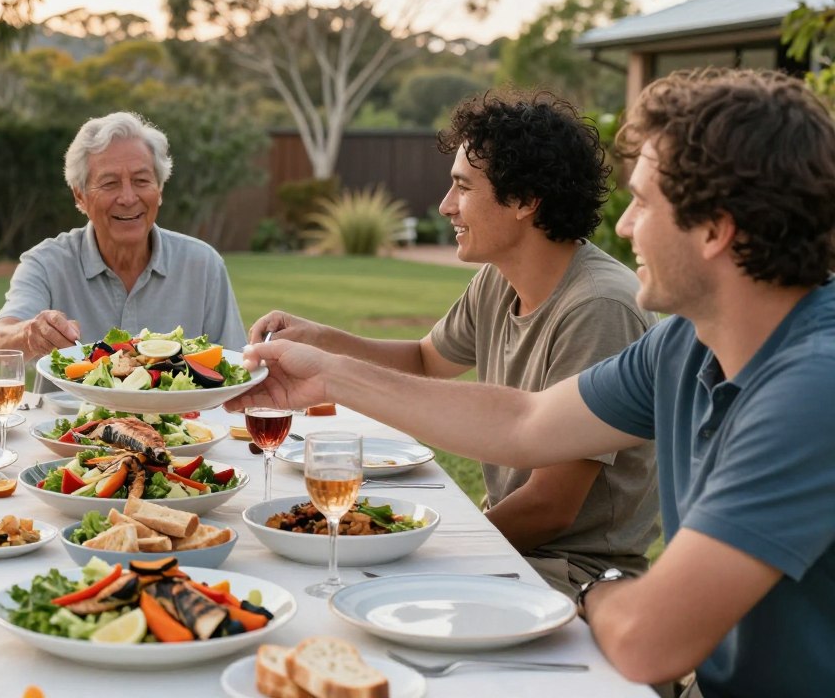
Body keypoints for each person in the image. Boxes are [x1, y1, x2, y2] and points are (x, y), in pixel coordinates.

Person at [229, 68, 835, 696]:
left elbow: (648, 641)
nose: (625, 227)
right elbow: (525, 423)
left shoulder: (813, 389)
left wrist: (597, 590)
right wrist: (329, 374)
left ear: (717, 228)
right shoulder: (684, 342)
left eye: (647, 203)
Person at [251, 91, 659, 598]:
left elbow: (550, 508)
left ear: (525, 201)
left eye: (462, 188)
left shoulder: (599, 308)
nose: (446, 206)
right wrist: (322, 340)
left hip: (573, 576)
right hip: (515, 552)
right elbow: (427, 360)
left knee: (348, 585)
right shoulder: (498, 280)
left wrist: (418, 548)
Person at [0, 111, 245, 375]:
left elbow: (236, 366)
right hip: (74, 417)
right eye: (110, 183)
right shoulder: (47, 263)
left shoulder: (203, 264)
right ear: (80, 196)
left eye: (142, 181)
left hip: (184, 417)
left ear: (160, 189)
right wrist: (31, 333)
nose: (128, 197)